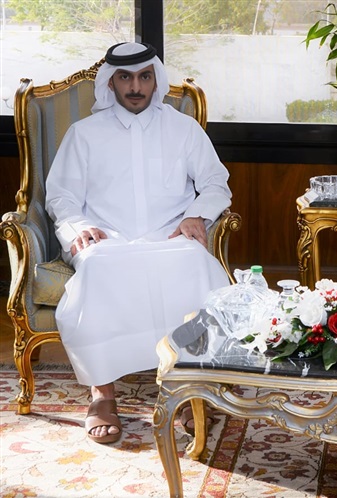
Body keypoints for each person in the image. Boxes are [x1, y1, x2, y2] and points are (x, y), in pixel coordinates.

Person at [45, 42, 233, 444]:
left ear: (155, 80)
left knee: (195, 265)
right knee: (98, 267)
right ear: (110, 82)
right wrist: (78, 226)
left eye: (144, 77)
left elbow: (216, 184)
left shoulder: (184, 129)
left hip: (169, 234)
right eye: (125, 78)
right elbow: (61, 197)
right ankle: (102, 394)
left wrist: (196, 215)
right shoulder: (84, 134)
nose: (135, 87)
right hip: (106, 237)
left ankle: (189, 390)